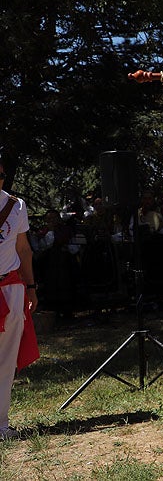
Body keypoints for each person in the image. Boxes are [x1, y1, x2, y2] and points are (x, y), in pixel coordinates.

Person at [0, 154, 38, 441]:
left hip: (11, 289)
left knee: (5, 359)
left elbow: (23, 249)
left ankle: (1, 425)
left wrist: (31, 287)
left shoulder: (16, 205)